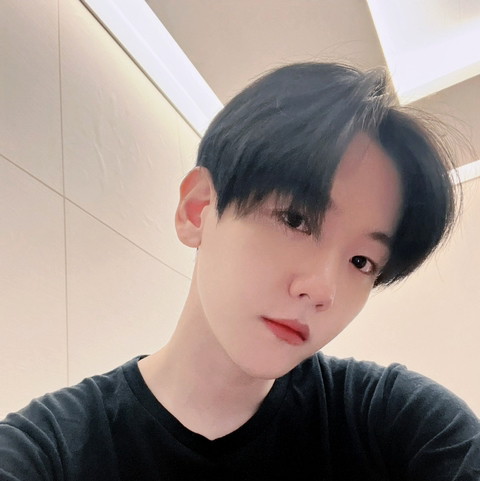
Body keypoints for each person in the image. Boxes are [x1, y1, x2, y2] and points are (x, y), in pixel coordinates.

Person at [1, 62, 479, 480]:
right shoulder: (50, 449)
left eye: (361, 262)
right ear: (198, 209)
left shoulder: (396, 422)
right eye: (295, 219)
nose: (322, 289)